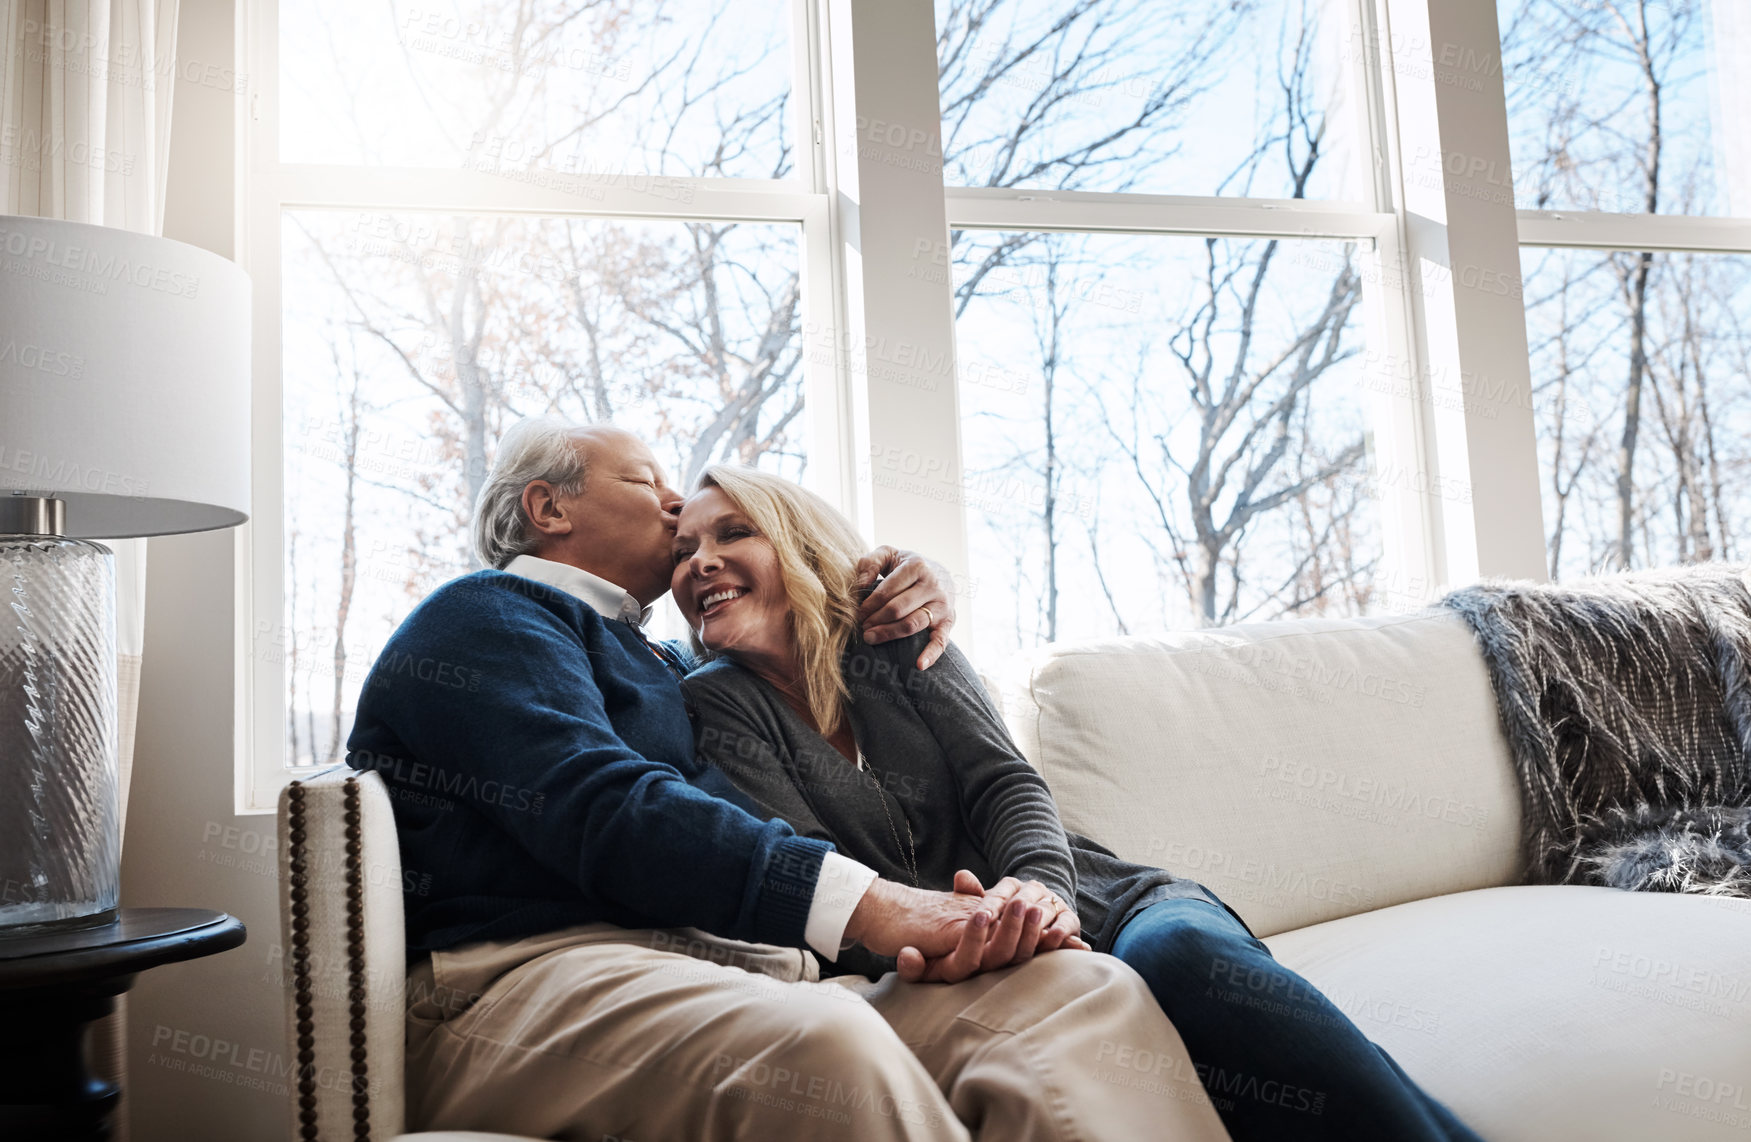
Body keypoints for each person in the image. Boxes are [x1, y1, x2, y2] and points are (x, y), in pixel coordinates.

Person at [346, 419, 1230, 1142]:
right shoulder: (486, 614)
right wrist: (882, 907)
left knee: (1075, 993)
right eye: (647, 483)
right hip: (516, 982)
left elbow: (793, 747)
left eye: (713, 523)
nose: (672, 504)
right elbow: (600, 804)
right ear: (548, 506)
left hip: (724, 967)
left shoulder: (663, 668)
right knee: (826, 1051)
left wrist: (911, 586)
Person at [674, 463, 1488, 1142]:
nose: (699, 562)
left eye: (730, 532)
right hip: (952, 960)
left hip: (1107, 898)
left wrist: (1044, 896)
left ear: (797, 540)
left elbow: (1005, 783)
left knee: (1179, 961)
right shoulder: (714, 702)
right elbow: (817, 862)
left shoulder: (899, 638)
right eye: (681, 551)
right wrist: (967, 935)